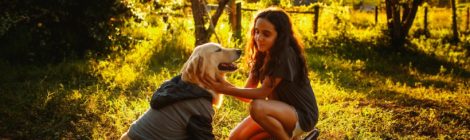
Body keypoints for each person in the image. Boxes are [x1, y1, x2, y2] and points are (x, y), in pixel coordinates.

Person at [203, 7, 319, 140]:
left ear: (280, 36)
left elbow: (262, 93)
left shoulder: (285, 54)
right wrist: (222, 83)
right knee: (236, 137)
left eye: (266, 34)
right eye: (256, 32)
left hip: (302, 115)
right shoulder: (261, 55)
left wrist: (224, 89)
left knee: (257, 107)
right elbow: (247, 94)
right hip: (278, 113)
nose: (259, 38)